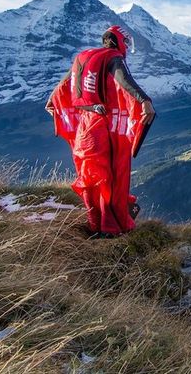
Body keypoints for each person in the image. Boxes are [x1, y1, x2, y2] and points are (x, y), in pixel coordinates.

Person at [46, 25, 156, 237]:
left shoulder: (83, 58)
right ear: (120, 41)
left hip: (85, 130)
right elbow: (124, 81)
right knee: (113, 176)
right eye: (126, 43)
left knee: (91, 176)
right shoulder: (113, 58)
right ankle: (112, 226)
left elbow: (62, 87)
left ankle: (95, 222)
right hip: (105, 129)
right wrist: (145, 101)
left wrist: (53, 103)